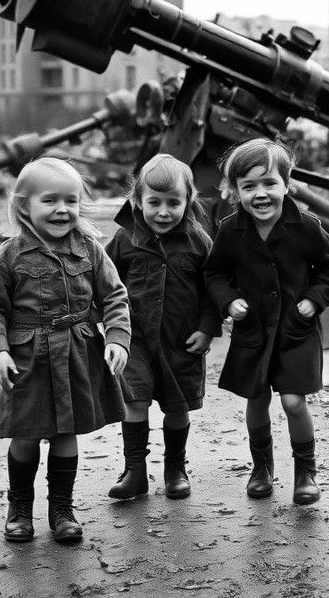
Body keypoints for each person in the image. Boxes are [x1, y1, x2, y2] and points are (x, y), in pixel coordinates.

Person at [0, 157, 131, 543]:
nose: (63, 210)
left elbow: (114, 297)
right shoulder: (10, 255)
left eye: (72, 201)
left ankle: (62, 509)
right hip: (25, 359)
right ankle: (20, 508)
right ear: (23, 206)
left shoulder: (90, 250)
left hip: (76, 354)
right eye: (50, 201)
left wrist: (116, 338)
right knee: (26, 435)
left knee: (67, 432)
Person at [203, 138, 329, 505]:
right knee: (256, 397)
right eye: (248, 186)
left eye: (269, 183)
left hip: (296, 330)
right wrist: (228, 300)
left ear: (287, 183)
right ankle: (262, 468)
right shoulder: (230, 230)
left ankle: (306, 472)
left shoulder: (307, 227)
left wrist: (314, 302)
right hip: (254, 331)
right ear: (235, 191)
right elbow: (215, 273)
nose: (260, 194)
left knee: (295, 402)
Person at [104, 154, 222, 502]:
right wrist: (111, 328)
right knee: (134, 401)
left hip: (181, 341)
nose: (163, 211)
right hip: (135, 341)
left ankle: (175, 468)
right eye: (154, 202)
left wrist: (208, 327)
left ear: (188, 202)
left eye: (174, 202)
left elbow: (213, 287)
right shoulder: (126, 239)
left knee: (178, 406)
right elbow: (106, 283)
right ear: (138, 201)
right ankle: (135, 471)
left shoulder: (198, 240)